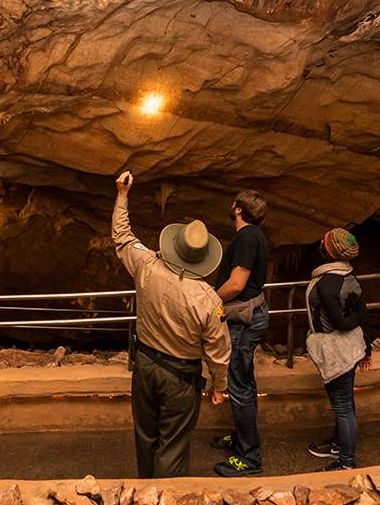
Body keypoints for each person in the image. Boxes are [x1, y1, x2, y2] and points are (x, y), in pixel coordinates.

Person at [111, 170, 231, 478]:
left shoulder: (147, 266)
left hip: (145, 365)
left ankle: (144, 490)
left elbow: (122, 236)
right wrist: (220, 386)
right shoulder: (207, 299)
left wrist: (122, 195)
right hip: (180, 377)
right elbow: (218, 349)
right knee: (173, 445)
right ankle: (163, 496)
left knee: (146, 436)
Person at [210, 189, 269, 477]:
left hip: (243, 319)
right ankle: (241, 439)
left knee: (239, 386)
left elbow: (236, 284)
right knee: (244, 381)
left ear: (237, 209)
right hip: (249, 316)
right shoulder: (254, 235)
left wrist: (210, 301)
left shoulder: (247, 237)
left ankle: (249, 458)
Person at [306, 227, 373, 471]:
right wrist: (367, 349)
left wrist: (352, 315)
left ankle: (346, 462)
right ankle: (338, 444)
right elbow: (364, 316)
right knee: (346, 401)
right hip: (352, 347)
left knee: (343, 406)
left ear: (328, 251)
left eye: (323, 243)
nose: (320, 245)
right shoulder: (349, 276)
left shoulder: (327, 283)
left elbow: (343, 321)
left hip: (337, 350)